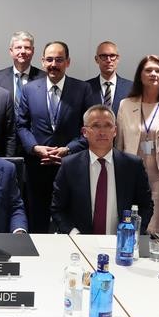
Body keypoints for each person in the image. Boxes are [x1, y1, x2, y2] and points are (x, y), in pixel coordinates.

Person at [17, 41, 95, 233]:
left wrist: (68, 149)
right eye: (49, 59)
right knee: (38, 222)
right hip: (38, 166)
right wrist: (35, 148)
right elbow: (21, 125)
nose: (54, 64)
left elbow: (89, 128)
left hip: (71, 165)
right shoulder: (29, 89)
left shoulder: (82, 89)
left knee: (70, 221)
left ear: (68, 62)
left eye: (59, 60)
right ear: (43, 61)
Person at [51, 105, 152, 234]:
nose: (102, 132)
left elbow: (146, 206)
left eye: (108, 125)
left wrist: (132, 233)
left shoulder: (133, 165)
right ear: (84, 132)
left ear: (115, 131)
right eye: (96, 126)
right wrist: (75, 234)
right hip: (80, 241)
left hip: (121, 241)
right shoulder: (69, 166)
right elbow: (58, 209)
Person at [116, 55, 159, 233]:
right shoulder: (125, 105)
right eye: (148, 70)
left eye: (158, 71)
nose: (153, 74)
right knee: (131, 223)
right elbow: (119, 144)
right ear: (140, 75)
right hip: (131, 174)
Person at [0, 31, 47, 115]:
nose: (23, 51)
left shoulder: (44, 78)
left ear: (33, 51)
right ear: (11, 51)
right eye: (18, 47)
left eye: (27, 48)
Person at [85, 41, 133, 115]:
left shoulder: (131, 87)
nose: (108, 60)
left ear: (118, 58)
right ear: (96, 59)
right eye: (104, 56)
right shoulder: (86, 87)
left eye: (112, 56)